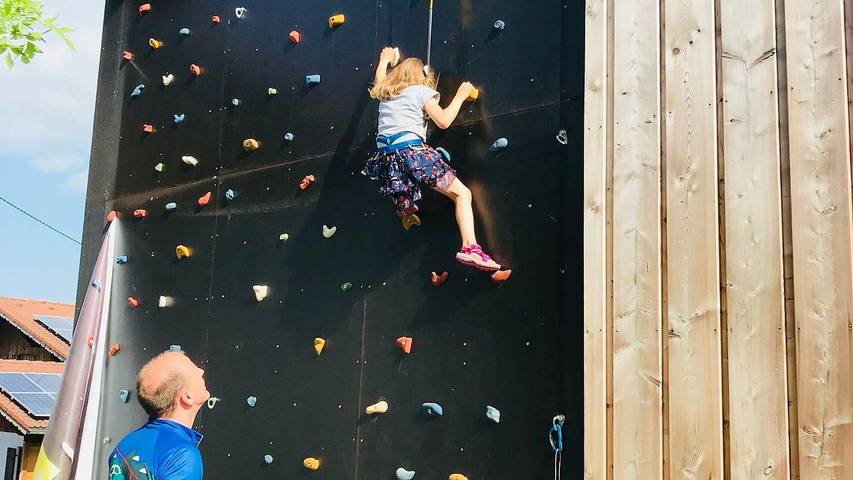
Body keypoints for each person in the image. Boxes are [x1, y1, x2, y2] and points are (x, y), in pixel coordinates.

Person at [364, 47, 501, 271]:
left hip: (389, 159)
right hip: (412, 153)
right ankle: (471, 248)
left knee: (400, 179)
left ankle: (405, 208)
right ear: (421, 78)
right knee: (462, 194)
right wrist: (460, 96)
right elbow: (444, 121)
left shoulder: (386, 94)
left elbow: (380, 79)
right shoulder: (420, 91)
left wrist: (384, 60)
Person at [108, 351, 210, 480]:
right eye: (194, 371)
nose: (201, 371)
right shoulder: (182, 456)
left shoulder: (125, 444)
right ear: (187, 397)